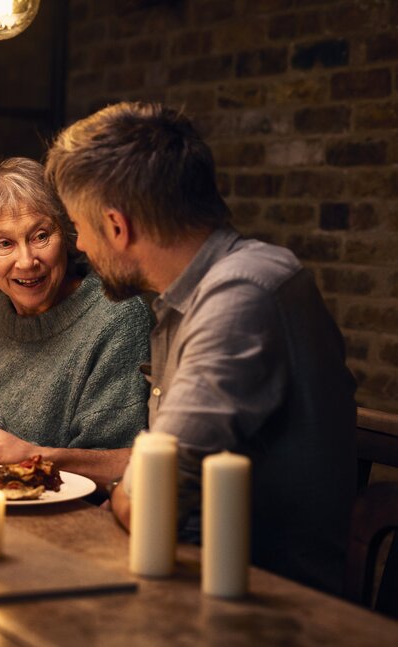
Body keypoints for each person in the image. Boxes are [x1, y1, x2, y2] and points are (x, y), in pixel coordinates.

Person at [45, 102, 356, 595]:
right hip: (190, 576)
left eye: (77, 226)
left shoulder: (241, 296)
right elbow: (160, 467)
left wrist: (132, 490)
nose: (78, 244)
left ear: (117, 226)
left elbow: (151, 501)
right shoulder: (183, 298)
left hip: (263, 607)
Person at [0, 157, 152, 486]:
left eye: (40, 236)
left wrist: (32, 456)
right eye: (4, 243)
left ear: (67, 231)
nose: (27, 261)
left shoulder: (116, 315)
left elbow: (126, 464)